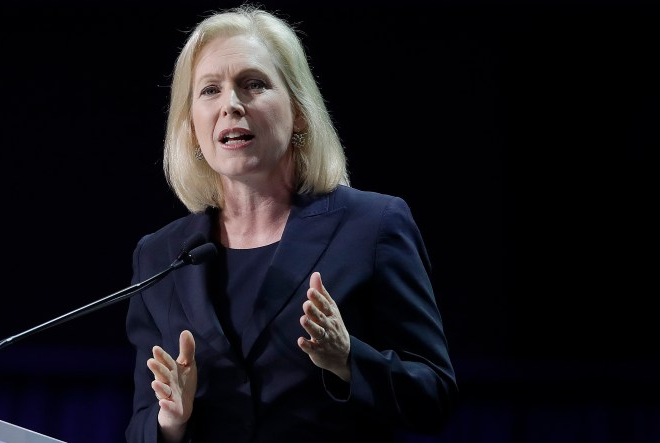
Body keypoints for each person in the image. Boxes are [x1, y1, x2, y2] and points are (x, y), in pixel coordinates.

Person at [124, 4, 458, 443]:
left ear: (299, 111)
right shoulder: (162, 256)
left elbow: (433, 397)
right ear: (191, 126)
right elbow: (140, 425)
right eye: (209, 90)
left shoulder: (373, 226)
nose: (231, 105)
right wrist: (170, 421)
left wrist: (347, 359)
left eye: (253, 84)